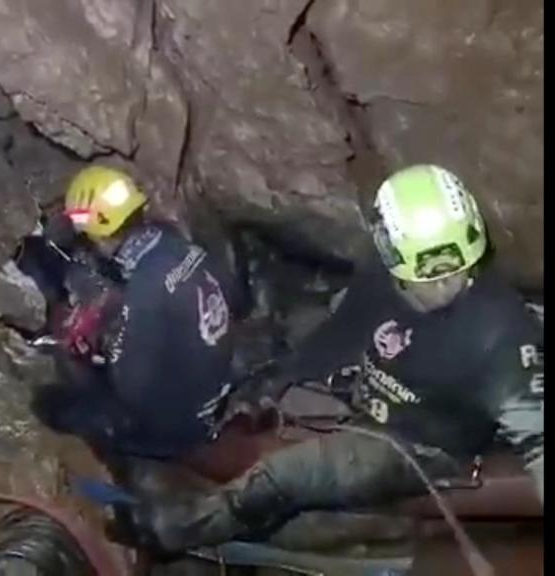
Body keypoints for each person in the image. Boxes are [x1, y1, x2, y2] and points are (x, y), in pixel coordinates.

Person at [114, 164, 544, 553]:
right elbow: (341, 332)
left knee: (287, 477)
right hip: (373, 394)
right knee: (267, 352)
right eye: (429, 275)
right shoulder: (384, 276)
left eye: (450, 272)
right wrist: (277, 379)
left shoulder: (502, 333)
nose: (441, 283)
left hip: (418, 446)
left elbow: (538, 440)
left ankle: (175, 530)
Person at [32, 164, 243, 460]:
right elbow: (228, 296)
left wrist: (96, 350)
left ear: (99, 235)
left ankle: (140, 463)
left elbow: (131, 389)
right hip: (219, 386)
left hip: (182, 428)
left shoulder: (145, 289)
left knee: (49, 403)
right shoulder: (177, 245)